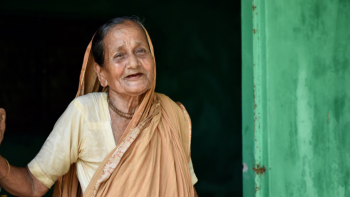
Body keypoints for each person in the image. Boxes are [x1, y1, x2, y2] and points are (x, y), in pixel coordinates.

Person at [0, 16, 198, 197]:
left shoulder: (170, 113)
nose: (133, 63)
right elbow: (33, 185)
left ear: (153, 60)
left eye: (141, 51)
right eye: (119, 56)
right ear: (101, 74)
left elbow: (186, 188)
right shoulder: (84, 113)